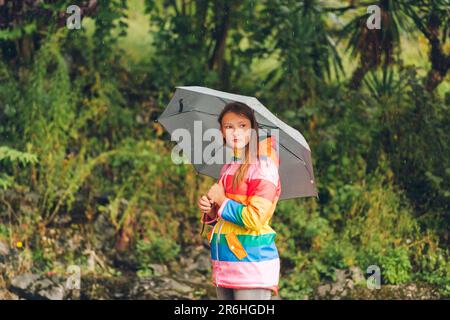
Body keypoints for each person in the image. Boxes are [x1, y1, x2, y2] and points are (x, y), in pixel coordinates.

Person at [197, 101, 281, 300]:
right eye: (229, 127)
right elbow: (223, 216)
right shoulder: (229, 166)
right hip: (225, 264)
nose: (236, 133)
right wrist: (210, 209)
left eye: (242, 126)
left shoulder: (263, 166)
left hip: (252, 265)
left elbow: (255, 219)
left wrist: (222, 199)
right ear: (222, 131)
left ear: (253, 130)